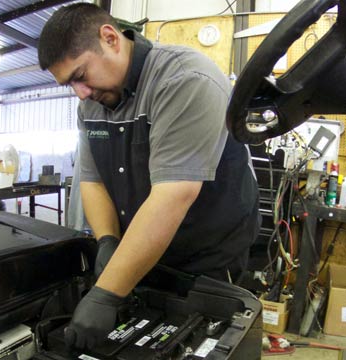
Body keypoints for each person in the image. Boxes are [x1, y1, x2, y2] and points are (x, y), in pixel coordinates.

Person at [37, 3, 260, 350]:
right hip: (141, 248)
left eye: (80, 76)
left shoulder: (184, 80)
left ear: (110, 38)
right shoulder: (91, 105)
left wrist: (107, 294)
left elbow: (172, 196)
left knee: (197, 346)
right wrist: (109, 241)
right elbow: (92, 179)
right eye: (69, 84)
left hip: (206, 256)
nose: (79, 93)